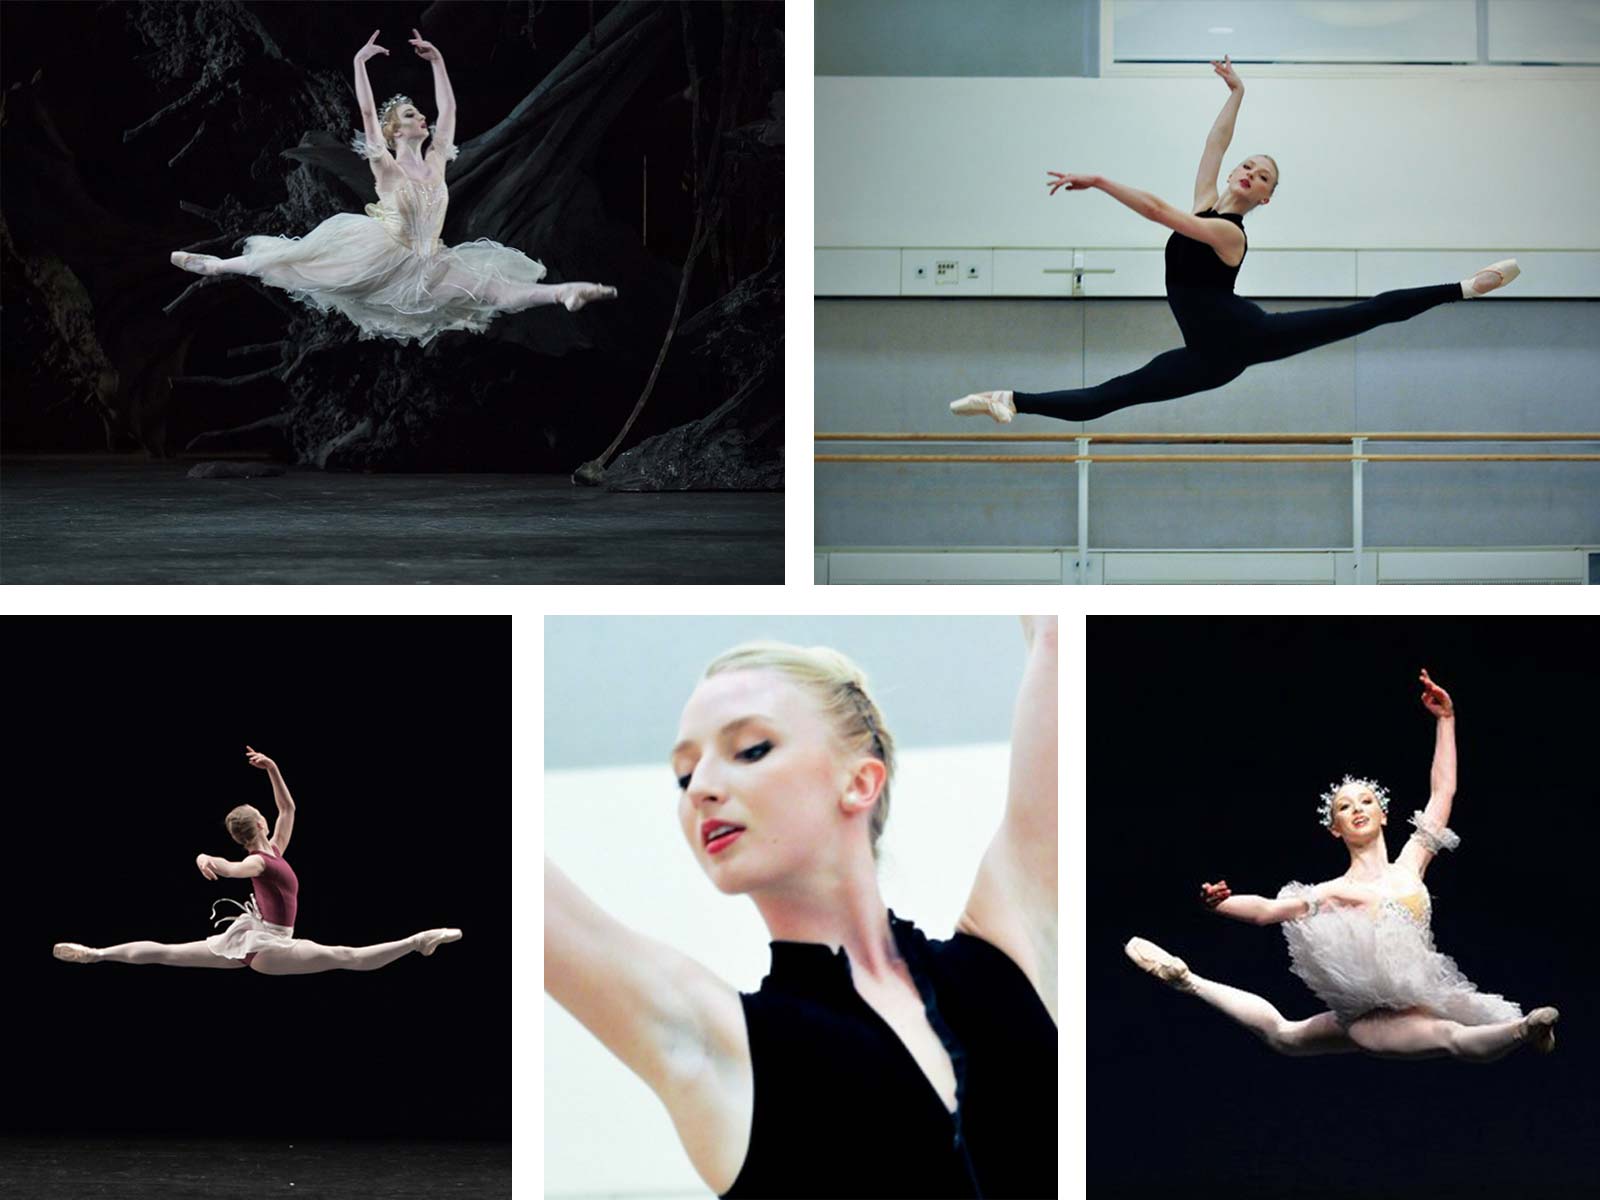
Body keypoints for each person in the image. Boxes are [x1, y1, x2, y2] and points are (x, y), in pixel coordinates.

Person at [546, 621, 1058, 1198]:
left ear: (860, 782)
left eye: (750, 749)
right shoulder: (720, 1047)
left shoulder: (998, 955)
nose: (700, 789)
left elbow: (1060, 641)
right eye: (684, 775)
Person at [951, 55, 1518, 424]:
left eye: (1263, 176)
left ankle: (1466, 287)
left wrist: (1099, 181)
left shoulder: (1227, 233)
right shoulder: (1208, 196)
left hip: (1249, 335)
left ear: (1265, 198)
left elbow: (1156, 211)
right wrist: (1237, 91)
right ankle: (1009, 398)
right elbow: (1216, 144)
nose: (1249, 172)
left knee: (1362, 314)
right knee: (1109, 396)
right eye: (1248, 166)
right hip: (1206, 358)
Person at [1125, 668, 1559, 1062]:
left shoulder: (1411, 865)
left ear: (1384, 814)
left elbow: (1442, 792)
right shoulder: (1333, 891)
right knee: (1449, 1037)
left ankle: (1187, 982)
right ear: (1335, 829)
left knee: (1286, 1037)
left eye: (1366, 801)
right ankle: (1525, 1029)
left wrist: (1446, 721)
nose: (1357, 809)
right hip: (1374, 1014)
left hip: (1421, 995)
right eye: (1344, 807)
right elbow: (1265, 911)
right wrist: (1218, 904)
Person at [170, 29, 618, 348]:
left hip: (432, 264)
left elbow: (450, 109)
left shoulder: (437, 160)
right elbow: (366, 114)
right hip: (378, 252)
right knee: (295, 259)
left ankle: (564, 293)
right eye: (409, 116)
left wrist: (439, 62)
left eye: (420, 114)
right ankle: (218, 266)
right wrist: (359, 65)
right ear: (394, 132)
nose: (421, 118)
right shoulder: (386, 166)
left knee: (494, 291)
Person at [53, 745, 460, 974]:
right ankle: (417, 942)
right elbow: (234, 869)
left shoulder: (273, 851)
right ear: (259, 823)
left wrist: (274, 769)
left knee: (166, 950)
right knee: (345, 956)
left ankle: (97, 953)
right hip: (268, 946)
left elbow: (290, 810)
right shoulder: (260, 862)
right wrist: (206, 857)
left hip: (251, 936)